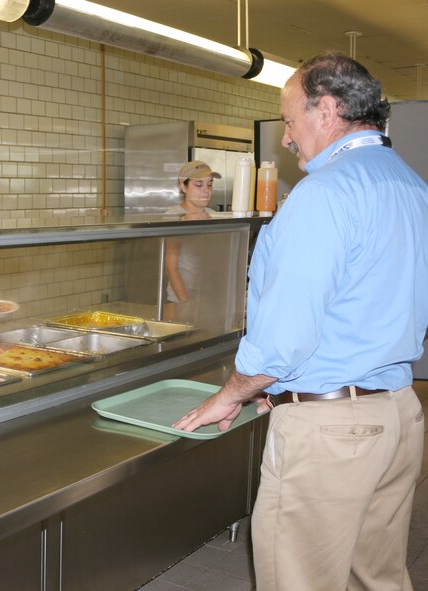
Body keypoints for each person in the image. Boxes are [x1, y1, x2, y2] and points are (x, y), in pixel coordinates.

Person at [173, 52, 428, 590]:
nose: (286, 139)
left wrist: (235, 392)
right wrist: (282, 388)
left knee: (300, 580)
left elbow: (285, 337)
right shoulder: (411, 185)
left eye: (290, 121)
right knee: (376, 577)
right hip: (399, 415)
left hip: (333, 432)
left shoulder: (324, 194)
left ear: (328, 110)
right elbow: (370, 301)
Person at [163, 161, 220, 322]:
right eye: (199, 185)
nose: (206, 191)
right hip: (179, 300)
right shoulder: (173, 216)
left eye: (209, 184)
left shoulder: (214, 215)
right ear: (183, 186)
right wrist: (186, 303)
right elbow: (171, 267)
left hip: (209, 300)